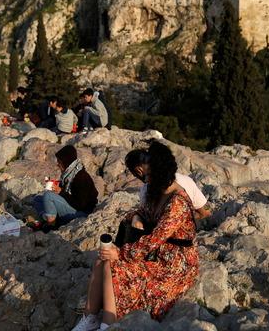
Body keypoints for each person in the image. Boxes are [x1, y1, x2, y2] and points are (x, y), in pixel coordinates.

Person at [72, 141, 198, 330]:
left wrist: (121, 254)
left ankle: (108, 323)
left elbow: (155, 239)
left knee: (113, 266)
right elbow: (138, 212)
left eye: (147, 175)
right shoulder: (158, 193)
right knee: (101, 260)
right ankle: (90, 318)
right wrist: (137, 217)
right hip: (158, 254)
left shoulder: (178, 202)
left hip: (175, 264)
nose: (145, 181)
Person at [125, 148, 211, 221]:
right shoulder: (186, 180)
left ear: (139, 170)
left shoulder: (146, 189)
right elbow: (206, 211)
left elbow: (148, 217)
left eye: (134, 173)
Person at [32, 145, 97, 227]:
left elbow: (80, 204)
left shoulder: (81, 177)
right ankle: (51, 218)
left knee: (48, 196)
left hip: (81, 213)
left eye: (59, 162)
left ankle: (51, 225)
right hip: (71, 206)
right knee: (37, 199)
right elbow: (67, 192)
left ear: (66, 162)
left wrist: (60, 192)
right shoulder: (68, 175)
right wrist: (56, 187)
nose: (57, 164)